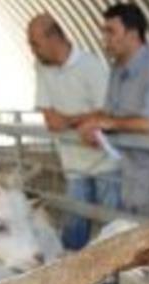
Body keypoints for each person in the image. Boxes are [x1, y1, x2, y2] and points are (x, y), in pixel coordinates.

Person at [76, 3, 149, 218]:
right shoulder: (116, 70)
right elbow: (109, 115)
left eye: (111, 32)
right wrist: (94, 128)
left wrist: (108, 123)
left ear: (133, 35)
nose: (105, 39)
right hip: (129, 176)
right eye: (104, 32)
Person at [28, 14, 118, 250]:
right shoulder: (41, 67)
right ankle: (73, 271)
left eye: (35, 43)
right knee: (74, 229)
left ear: (53, 38)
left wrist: (70, 120)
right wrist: (84, 121)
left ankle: (116, 272)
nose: (32, 50)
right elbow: (51, 121)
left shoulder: (91, 67)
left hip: (105, 164)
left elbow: (106, 113)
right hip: (74, 166)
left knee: (112, 228)